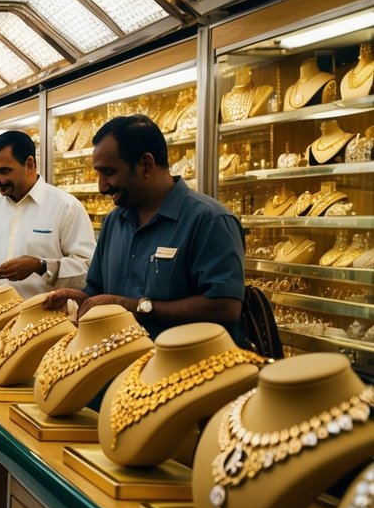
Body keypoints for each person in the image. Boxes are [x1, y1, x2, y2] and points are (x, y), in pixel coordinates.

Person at [44, 115, 246, 342]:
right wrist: (82, 299)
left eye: (108, 172)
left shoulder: (209, 220)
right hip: (119, 368)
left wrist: (130, 305)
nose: (101, 186)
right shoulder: (114, 222)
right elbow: (99, 290)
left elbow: (224, 307)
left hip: (187, 370)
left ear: (146, 165)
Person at [0, 130, 95, 299]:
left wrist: (40, 266)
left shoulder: (66, 207)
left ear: (30, 165)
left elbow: (86, 270)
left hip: (46, 318)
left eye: (4, 171)